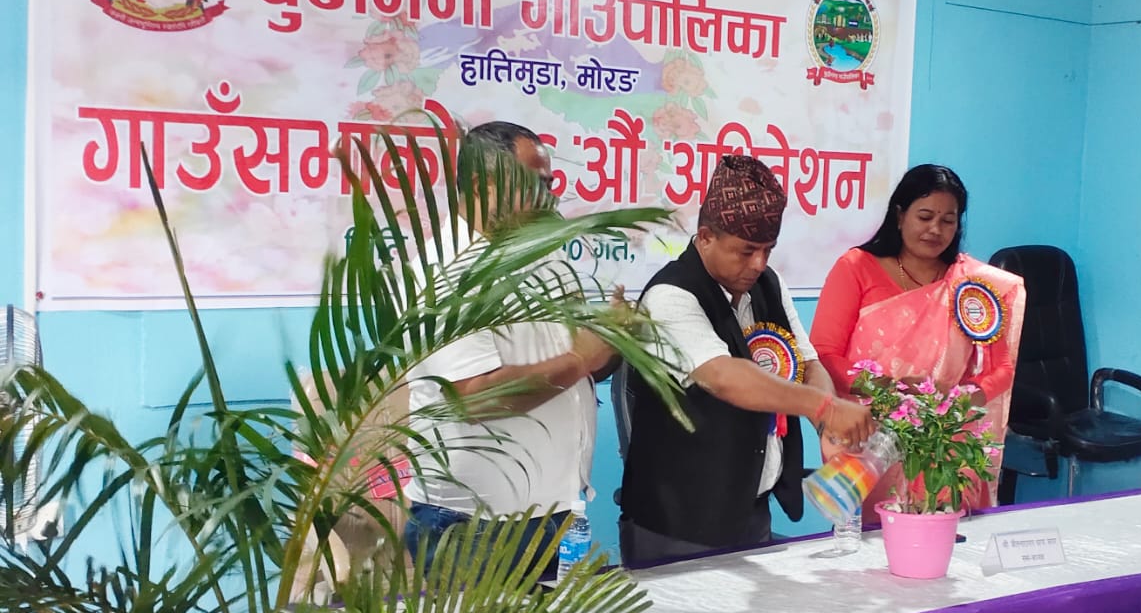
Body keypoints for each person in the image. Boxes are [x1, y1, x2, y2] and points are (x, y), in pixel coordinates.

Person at [619, 154, 876, 566]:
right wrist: (824, 407)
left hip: (749, 512)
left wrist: (827, 427)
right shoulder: (670, 296)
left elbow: (808, 363)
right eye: (746, 251)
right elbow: (724, 376)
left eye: (768, 250)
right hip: (677, 524)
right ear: (705, 237)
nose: (759, 264)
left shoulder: (768, 283)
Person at [402, 121, 616, 573]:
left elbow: (573, 353)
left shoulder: (542, 251)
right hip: (474, 526)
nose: (549, 199)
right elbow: (474, 396)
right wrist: (581, 359)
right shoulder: (446, 270)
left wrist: (612, 339)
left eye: (551, 185)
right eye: (537, 185)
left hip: (552, 511)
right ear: (485, 185)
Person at [810, 164, 1026, 522]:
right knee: (876, 543)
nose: (935, 230)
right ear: (899, 215)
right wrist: (889, 389)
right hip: (870, 438)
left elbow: (1002, 368)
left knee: (943, 542)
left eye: (948, 220)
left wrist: (956, 399)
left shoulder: (972, 284)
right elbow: (824, 355)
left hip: (943, 442)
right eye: (925, 217)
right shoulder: (856, 268)